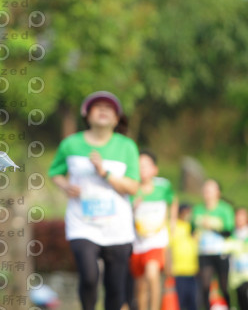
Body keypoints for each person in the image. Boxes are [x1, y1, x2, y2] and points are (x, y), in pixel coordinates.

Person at [49, 91, 140, 310]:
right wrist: (66, 186)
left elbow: (133, 187)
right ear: (87, 115)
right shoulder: (71, 144)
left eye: (109, 108)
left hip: (117, 227)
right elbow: (55, 173)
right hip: (82, 223)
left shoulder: (127, 146)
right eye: (97, 107)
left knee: (115, 288)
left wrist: (104, 172)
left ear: (116, 119)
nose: (103, 111)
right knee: (89, 276)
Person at [130, 149, 177, 310]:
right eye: (139, 165)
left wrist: (172, 221)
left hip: (157, 241)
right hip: (137, 243)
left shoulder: (163, 186)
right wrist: (133, 207)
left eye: (145, 165)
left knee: (152, 274)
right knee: (141, 285)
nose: (142, 169)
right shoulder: (132, 188)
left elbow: (173, 200)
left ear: (154, 169)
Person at [192, 179, 235, 309]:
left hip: (221, 252)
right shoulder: (198, 209)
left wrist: (211, 226)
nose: (207, 193)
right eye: (205, 190)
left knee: (223, 286)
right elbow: (192, 229)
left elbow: (229, 232)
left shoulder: (225, 209)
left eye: (210, 190)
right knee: (205, 285)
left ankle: (227, 306)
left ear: (218, 192)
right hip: (204, 252)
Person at [168, 203, 199, 310]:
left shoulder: (193, 227)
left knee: (193, 302)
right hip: (177, 271)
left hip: (193, 271)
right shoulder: (173, 226)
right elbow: (168, 247)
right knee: (180, 303)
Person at [228, 207, 248, 310]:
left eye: (242, 216)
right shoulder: (231, 234)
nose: (239, 218)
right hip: (236, 274)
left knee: (246, 292)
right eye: (237, 216)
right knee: (239, 296)